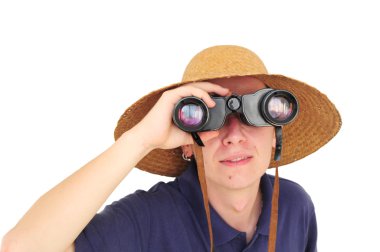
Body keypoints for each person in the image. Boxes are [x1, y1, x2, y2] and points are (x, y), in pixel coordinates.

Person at [1, 45, 341, 252]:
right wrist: (141, 139)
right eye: (210, 116)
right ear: (187, 143)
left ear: (275, 134)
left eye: (255, 112)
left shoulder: (295, 206)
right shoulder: (148, 219)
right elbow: (21, 248)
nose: (234, 135)